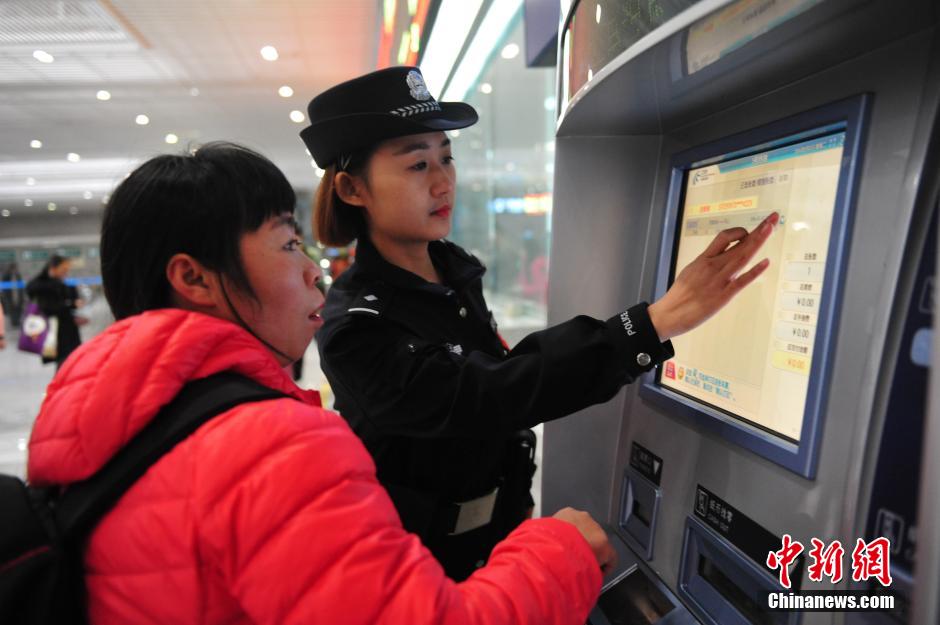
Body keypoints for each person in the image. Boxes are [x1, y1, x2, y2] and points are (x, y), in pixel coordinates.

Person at [27, 141, 615, 625]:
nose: (313, 271)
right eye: (287, 245)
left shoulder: (98, 417)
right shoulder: (266, 446)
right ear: (193, 278)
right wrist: (561, 551)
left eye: (447, 158)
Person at [301, 66, 778, 580]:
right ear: (353, 189)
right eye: (418, 165)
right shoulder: (355, 326)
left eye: (446, 157)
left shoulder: (452, 270)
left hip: (497, 541)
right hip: (416, 568)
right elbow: (485, 395)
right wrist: (654, 322)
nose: (443, 181)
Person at [25, 255, 84, 367]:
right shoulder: (42, 285)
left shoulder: (60, 284)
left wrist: (73, 306)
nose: (65, 273)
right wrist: (70, 304)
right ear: (53, 268)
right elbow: (50, 307)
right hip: (55, 330)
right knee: (64, 362)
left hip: (67, 329)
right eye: (63, 270)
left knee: (70, 361)